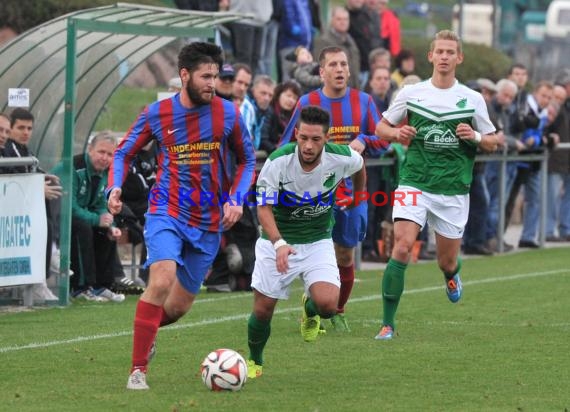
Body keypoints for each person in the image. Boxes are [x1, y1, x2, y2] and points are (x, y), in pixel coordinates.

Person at [106, 42, 256, 390]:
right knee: (160, 280)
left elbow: (247, 161)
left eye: (216, 76)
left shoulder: (227, 114)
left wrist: (236, 198)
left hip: (208, 222)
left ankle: (148, 333)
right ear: (184, 75)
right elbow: (123, 152)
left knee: (178, 306)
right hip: (166, 210)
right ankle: (138, 370)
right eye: (206, 76)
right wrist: (113, 187)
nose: (212, 83)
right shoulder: (157, 113)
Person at [373, 30, 498, 340]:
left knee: (446, 260)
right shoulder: (412, 93)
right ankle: (388, 324)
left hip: (453, 189)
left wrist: (477, 137)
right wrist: (396, 135)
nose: (444, 56)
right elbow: (380, 126)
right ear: (430, 56)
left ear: (459, 58)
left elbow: (495, 142)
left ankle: (451, 275)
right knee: (402, 246)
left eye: (450, 52)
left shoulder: (472, 98)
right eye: (439, 51)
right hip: (415, 181)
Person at [246, 105, 365, 379]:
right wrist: (278, 243)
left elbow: (359, 167)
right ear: (296, 134)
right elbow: (263, 208)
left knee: (327, 305)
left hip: (317, 240)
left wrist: (359, 198)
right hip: (277, 242)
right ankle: (255, 360)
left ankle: (309, 309)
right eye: (303, 138)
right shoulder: (277, 162)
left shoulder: (342, 157)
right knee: (263, 310)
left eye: (316, 139)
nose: (308, 146)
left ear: (327, 138)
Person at [279, 46, 387, 332]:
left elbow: (383, 139)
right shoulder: (308, 102)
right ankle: (320, 303)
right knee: (314, 253)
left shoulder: (363, 102)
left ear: (349, 70)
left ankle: (334, 309)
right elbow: (286, 145)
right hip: (314, 194)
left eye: (344, 64)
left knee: (345, 255)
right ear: (321, 71)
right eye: (333, 65)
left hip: (352, 193)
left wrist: (364, 139)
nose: (339, 69)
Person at [51, 131, 126, 303]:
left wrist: (108, 222)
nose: (105, 158)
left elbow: (100, 204)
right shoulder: (73, 167)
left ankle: (100, 285)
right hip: (55, 218)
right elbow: (68, 206)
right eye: (101, 152)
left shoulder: (104, 173)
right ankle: (80, 287)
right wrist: (96, 219)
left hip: (78, 217)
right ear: (90, 150)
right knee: (82, 226)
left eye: (109, 154)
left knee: (106, 232)